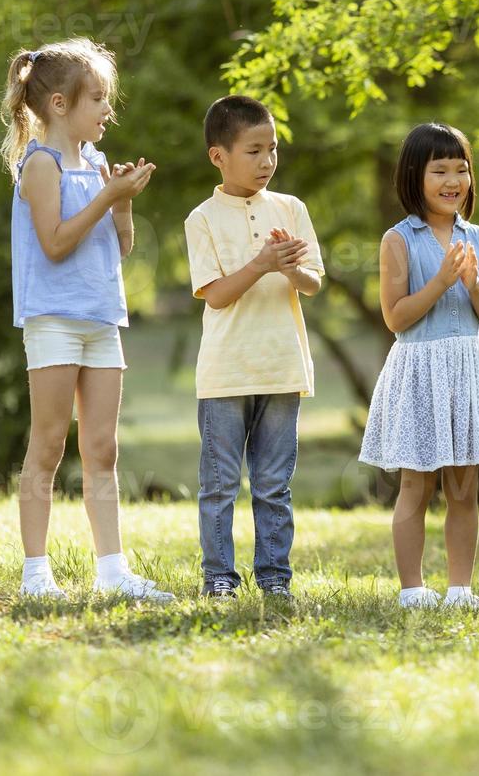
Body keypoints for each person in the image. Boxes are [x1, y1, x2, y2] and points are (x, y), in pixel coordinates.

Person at [4, 38, 173, 602]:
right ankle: (35, 573)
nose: (108, 111)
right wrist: (107, 199)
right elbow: (54, 245)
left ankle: (112, 569)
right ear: (58, 104)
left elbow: (121, 247)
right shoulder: (40, 164)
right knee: (49, 444)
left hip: (102, 318)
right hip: (53, 319)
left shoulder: (99, 164)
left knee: (102, 448)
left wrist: (122, 203)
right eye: (97, 99)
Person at [359, 123, 479, 610]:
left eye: (461, 170)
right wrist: (441, 280)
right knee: (415, 483)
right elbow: (396, 317)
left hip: (467, 367)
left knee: (464, 486)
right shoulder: (398, 240)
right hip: (420, 370)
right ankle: (412, 590)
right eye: (440, 170)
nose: (453, 180)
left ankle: (460, 589)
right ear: (415, 175)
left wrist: (471, 285)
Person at [185, 95, 323, 602]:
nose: (267, 162)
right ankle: (219, 575)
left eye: (273, 149)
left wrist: (288, 267)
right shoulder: (201, 218)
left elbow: (312, 285)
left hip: (283, 367)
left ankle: (274, 579)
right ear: (218, 156)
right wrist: (262, 263)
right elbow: (216, 295)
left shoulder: (292, 209)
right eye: (253, 151)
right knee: (220, 485)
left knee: (273, 485)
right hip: (225, 371)